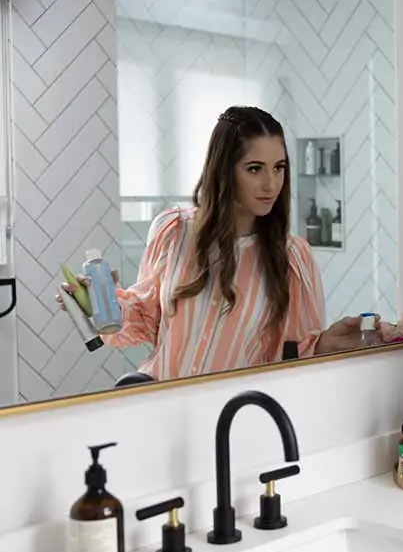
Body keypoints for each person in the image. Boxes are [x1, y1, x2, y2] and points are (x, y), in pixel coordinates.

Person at [58, 106, 375, 381]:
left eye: (279, 168)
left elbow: (294, 354)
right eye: (255, 169)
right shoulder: (173, 231)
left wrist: (324, 344)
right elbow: (146, 323)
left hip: (234, 419)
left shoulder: (292, 257)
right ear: (224, 170)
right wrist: (104, 305)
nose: (271, 184)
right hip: (160, 406)